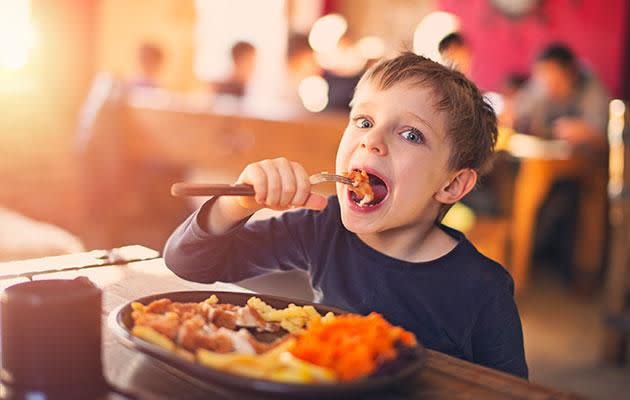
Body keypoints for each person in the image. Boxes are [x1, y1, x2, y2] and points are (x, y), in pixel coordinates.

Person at [163, 52, 528, 378]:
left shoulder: (483, 289)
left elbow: (512, 392)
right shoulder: (322, 226)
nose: (372, 140)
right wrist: (238, 204)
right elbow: (188, 263)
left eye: (411, 135)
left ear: (452, 185)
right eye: (364, 121)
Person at [513, 43, 609, 151]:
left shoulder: (590, 85)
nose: (550, 89)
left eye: (556, 83)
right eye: (545, 81)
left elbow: (603, 134)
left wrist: (588, 133)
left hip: (583, 158)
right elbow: (518, 112)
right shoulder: (540, 83)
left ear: (572, 73)